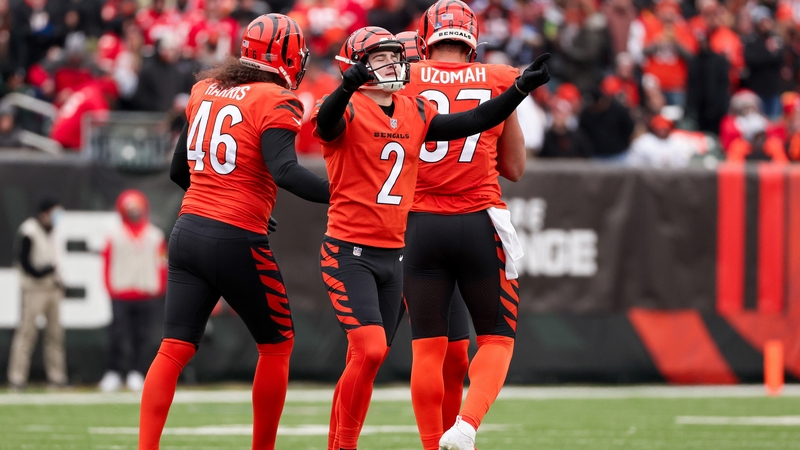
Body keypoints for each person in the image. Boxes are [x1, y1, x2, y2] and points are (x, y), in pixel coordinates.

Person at [312, 25, 549, 450]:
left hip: (401, 242)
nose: (396, 64)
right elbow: (326, 125)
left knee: (431, 351)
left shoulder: (413, 110)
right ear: (356, 67)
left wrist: (516, 92)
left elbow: (472, 119)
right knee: (369, 352)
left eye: (395, 56)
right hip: (356, 244)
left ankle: (435, 441)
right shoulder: (346, 107)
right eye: (382, 58)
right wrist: (344, 90)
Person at [138, 14, 330, 450]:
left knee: (173, 348)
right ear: (282, 55)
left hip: (187, 231)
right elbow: (286, 172)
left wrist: (228, 197)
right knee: (277, 346)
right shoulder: (275, 98)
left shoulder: (204, 90)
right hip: (235, 235)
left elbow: (177, 170)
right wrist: (349, 194)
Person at [401, 2, 529, 449]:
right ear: (473, 43)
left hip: (418, 226)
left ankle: (432, 443)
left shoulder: (407, 77)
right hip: (478, 221)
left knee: (427, 350)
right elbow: (514, 167)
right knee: (497, 338)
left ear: (425, 40)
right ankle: (467, 426)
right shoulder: (499, 78)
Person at [98, 190, 166, 393]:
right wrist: (110, 288)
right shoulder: (114, 236)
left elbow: (162, 263)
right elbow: (107, 262)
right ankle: (114, 372)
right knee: (117, 334)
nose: (134, 212)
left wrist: (160, 287)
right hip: (121, 293)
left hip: (147, 293)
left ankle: (137, 372)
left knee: (143, 336)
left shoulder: (155, 236)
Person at [7, 198, 67, 391]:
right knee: (26, 333)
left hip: (53, 288)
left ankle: (57, 377)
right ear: (44, 213)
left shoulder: (54, 231)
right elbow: (24, 263)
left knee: (55, 335)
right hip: (34, 289)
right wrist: (43, 271)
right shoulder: (29, 231)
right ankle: (17, 377)